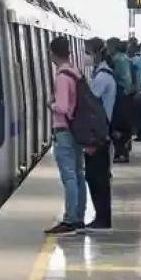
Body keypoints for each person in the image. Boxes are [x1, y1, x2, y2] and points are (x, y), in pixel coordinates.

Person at [44, 37, 85, 236]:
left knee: (69, 176)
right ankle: (79, 216)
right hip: (76, 130)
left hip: (64, 130)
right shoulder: (75, 72)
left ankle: (70, 220)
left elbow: (61, 107)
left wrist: (49, 104)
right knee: (78, 174)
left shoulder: (62, 77)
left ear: (53, 53)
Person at [82, 37, 116, 231]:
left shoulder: (102, 77)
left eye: (87, 52)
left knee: (97, 179)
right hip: (102, 132)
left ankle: (102, 219)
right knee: (96, 177)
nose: (85, 56)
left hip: (99, 134)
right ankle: (101, 218)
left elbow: (91, 102)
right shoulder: (103, 73)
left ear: (95, 53)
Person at [109, 38, 134, 162]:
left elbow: (116, 76)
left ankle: (121, 153)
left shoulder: (117, 59)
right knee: (124, 125)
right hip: (127, 94)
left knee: (116, 126)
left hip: (120, 94)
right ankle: (124, 151)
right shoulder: (126, 58)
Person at [129, 42, 141, 141]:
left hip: (138, 87)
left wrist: (137, 89)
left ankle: (140, 133)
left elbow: (136, 75)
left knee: (138, 113)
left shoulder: (134, 60)